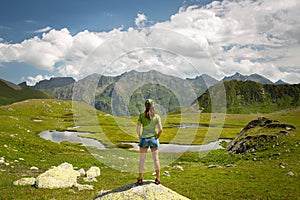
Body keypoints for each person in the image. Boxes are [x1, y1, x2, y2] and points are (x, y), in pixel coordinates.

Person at [136, 99, 163, 184]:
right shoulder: (157, 117)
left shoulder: (141, 116)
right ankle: (158, 178)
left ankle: (140, 178)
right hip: (153, 139)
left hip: (144, 139)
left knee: (141, 160)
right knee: (156, 160)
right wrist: (157, 137)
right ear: (153, 106)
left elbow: (137, 129)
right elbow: (161, 129)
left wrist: (141, 137)